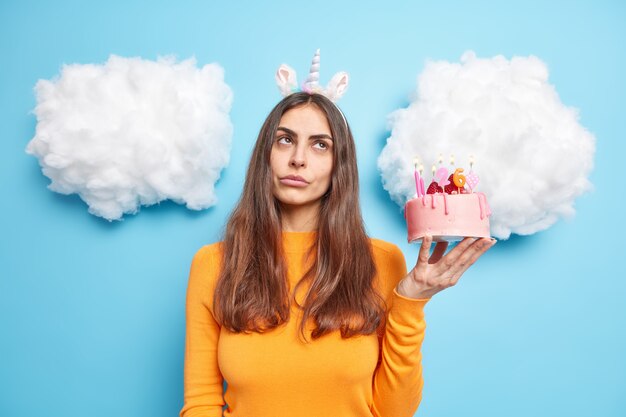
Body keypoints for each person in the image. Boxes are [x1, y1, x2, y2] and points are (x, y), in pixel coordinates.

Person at [180, 57, 495, 417]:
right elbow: (201, 403)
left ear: (338, 165)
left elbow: (394, 411)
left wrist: (410, 303)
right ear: (265, 155)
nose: (298, 159)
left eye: (320, 145)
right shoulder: (214, 264)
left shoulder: (382, 261)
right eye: (285, 140)